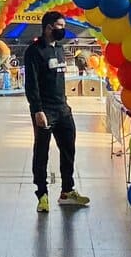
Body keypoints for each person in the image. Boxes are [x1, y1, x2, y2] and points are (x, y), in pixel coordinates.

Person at [25, 11, 90, 213]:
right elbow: (31, 84)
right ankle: (42, 194)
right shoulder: (34, 51)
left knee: (68, 148)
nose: (64, 29)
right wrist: (37, 110)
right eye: (60, 25)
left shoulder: (60, 50)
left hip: (63, 109)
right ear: (49, 27)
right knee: (42, 152)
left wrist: (66, 105)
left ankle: (67, 191)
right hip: (45, 110)